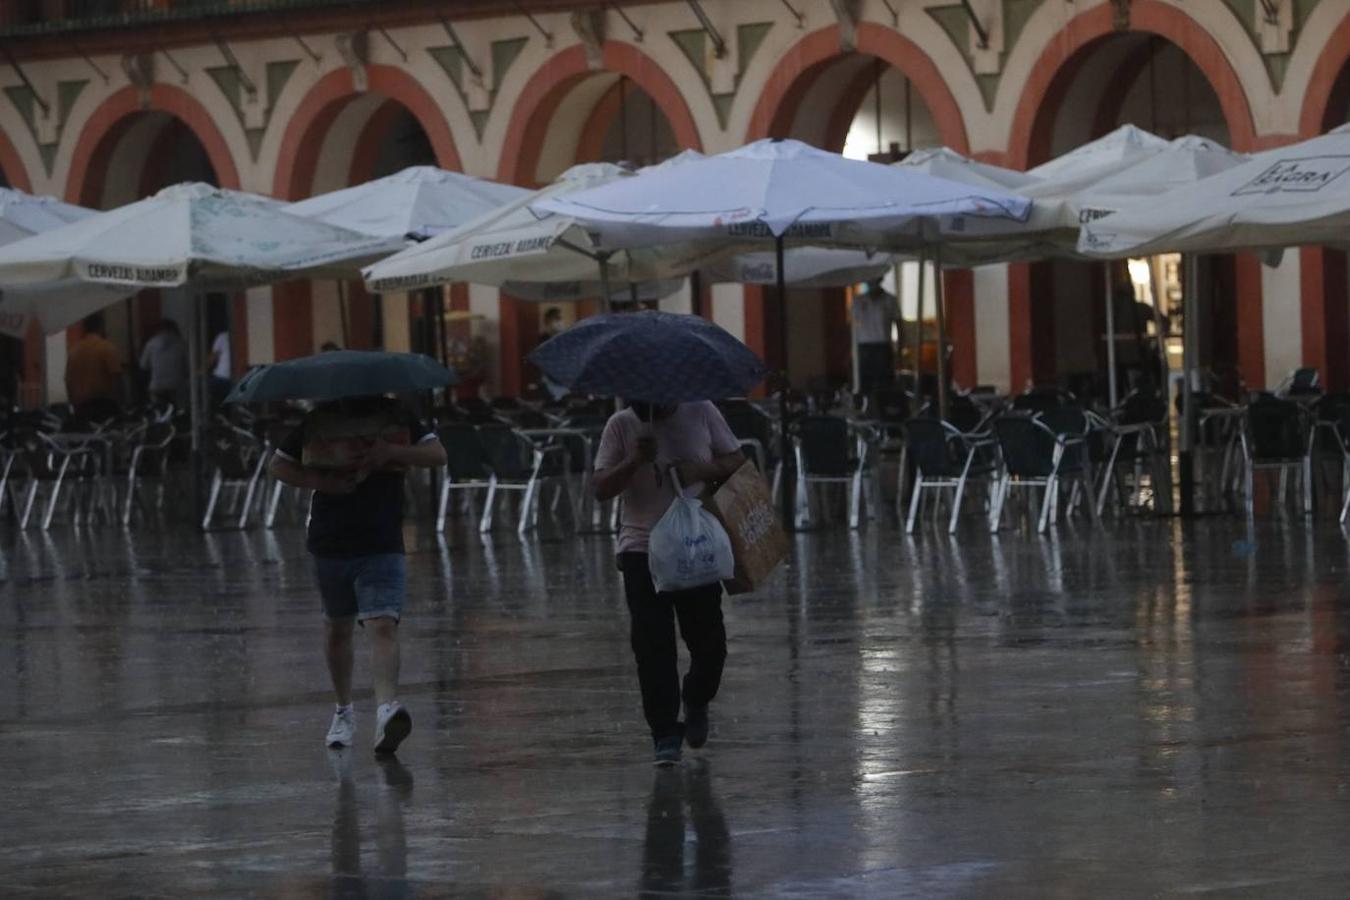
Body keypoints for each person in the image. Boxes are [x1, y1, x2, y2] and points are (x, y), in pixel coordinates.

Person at [269, 395, 447, 756]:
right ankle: (343, 709)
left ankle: (386, 710)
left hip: (382, 539)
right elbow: (279, 465)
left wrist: (391, 453)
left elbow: (437, 455)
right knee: (338, 627)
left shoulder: (397, 417)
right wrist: (323, 481)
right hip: (330, 540)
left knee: (382, 623)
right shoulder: (321, 419)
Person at [593, 400, 745, 766]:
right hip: (641, 548)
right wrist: (633, 461)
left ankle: (697, 697)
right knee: (651, 645)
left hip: (695, 546)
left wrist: (700, 470)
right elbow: (600, 487)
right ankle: (664, 731)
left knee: (710, 645)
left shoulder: (702, 412)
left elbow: (737, 460)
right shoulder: (620, 426)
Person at [65, 312, 123, 419]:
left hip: (81, 406)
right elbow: (116, 377)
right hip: (104, 405)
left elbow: (68, 381)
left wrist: (73, 403)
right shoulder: (106, 347)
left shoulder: (74, 351)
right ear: (100, 327)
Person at [853, 278, 899, 393]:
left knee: (884, 385)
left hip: (882, 346)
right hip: (863, 347)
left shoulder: (890, 300)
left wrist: (900, 350)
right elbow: (853, 327)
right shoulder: (858, 300)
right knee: (864, 384)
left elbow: (899, 325)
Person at [138, 319, 188, 407]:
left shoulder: (151, 343)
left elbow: (143, 366)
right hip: (177, 385)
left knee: (158, 410)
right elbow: (188, 366)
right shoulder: (182, 343)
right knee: (179, 409)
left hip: (157, 385)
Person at [206, 328, 231, 406]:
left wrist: (201, 370)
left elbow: (212, 359)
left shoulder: (222, 337)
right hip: (241, 377)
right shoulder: (246, 336)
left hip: (222, 377)